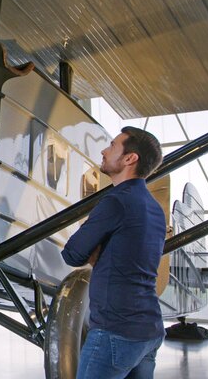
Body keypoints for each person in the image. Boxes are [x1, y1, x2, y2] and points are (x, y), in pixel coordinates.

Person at [61, 126, 166, 379]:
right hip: (149, 331)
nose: (104, 151)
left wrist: (95, 248)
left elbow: (72, 254)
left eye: (112, 146)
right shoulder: (154, 209)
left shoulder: (116, 201)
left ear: (130, 158)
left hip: (115, 332)